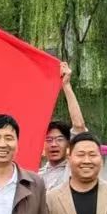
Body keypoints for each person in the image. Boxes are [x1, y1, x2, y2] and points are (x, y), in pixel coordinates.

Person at [39, 62, 89, 191]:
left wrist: (66, 86)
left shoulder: (74, 170)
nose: (53, 144)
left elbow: (79, 126)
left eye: (59, 139)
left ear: (68, 144)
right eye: (49, 140)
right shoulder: (36, 177)